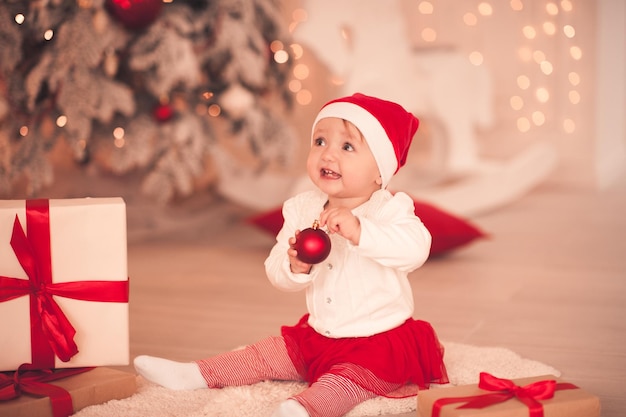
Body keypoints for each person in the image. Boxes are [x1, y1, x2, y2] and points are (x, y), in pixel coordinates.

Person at [134, 93, 449, 417]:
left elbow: (415, 249)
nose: (328, 155)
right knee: (265, 353)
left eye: (347, 147)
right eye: (320, 141)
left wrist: (360, 231)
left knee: (343, 383)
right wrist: (295, 266)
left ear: (379, 173)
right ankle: (196, 374)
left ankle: (305, 408)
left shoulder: (389, 209)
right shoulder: (302, 209)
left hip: (378, 343)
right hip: (319, 333)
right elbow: (276, 270)